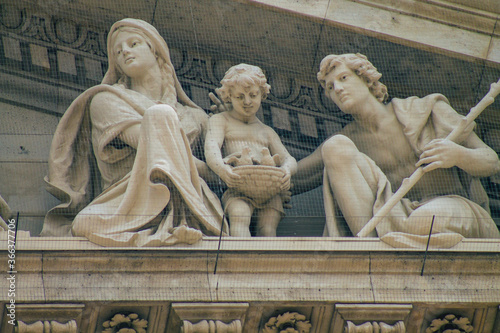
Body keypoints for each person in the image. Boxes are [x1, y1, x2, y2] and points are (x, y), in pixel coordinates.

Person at [41, 18, 227, 246]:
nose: (125, 52)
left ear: (155, 50)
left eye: (133, 44)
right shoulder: (105, 100)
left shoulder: (195, 117)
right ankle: (172, 227)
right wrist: (204, 168)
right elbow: (153, 144)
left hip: (193, 201)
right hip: (130, 201)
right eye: (118, 52)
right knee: (85, 223)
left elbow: (222, 173)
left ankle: (178, 220)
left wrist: (233, 122)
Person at [295, 53, 500, 247]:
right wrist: (266, 168)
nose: (337, 89)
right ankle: (368, 253)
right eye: (330, 88)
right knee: (334, 146)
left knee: (423, 220)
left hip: (449, 209)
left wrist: (457, 154)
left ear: (366, 79)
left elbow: (492, 161)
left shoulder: (426, 109)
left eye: (343, 78)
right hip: (394, 218)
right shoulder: (348, 142)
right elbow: (294, 177)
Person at [205, 64, 297, 237]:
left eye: (253, 95)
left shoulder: (267, 131)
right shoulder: (221, 121)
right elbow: (211, 149)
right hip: (237, 188)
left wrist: (287, 171)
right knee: (239, 217)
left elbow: (289, 159)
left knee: (268, 229)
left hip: (269, 192)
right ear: (229, 96)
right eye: (240, 97)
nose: (247, 102)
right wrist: (222, 170)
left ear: (262, 94)